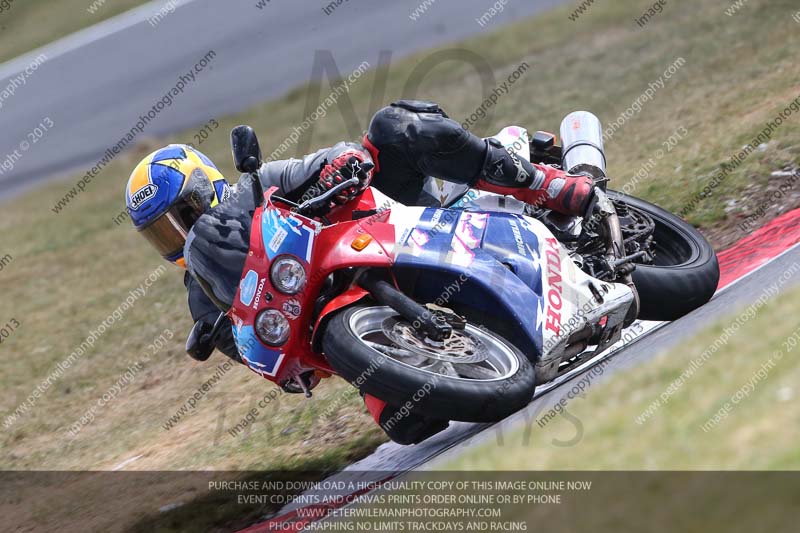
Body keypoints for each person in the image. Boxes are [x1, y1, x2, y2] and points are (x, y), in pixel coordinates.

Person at [125, 100, 596, 442]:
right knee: (406, 421)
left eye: (183, 215)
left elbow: (337, 156)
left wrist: (339, 168)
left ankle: (548, 185)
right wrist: (293, 372)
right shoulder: (202, 296)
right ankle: (481, 340)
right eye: (163, 233)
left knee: (394, 125)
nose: (182, 235)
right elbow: (253, 350)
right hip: (345, 309)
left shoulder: (260, 184)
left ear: (207, 185)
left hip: (393, 224)